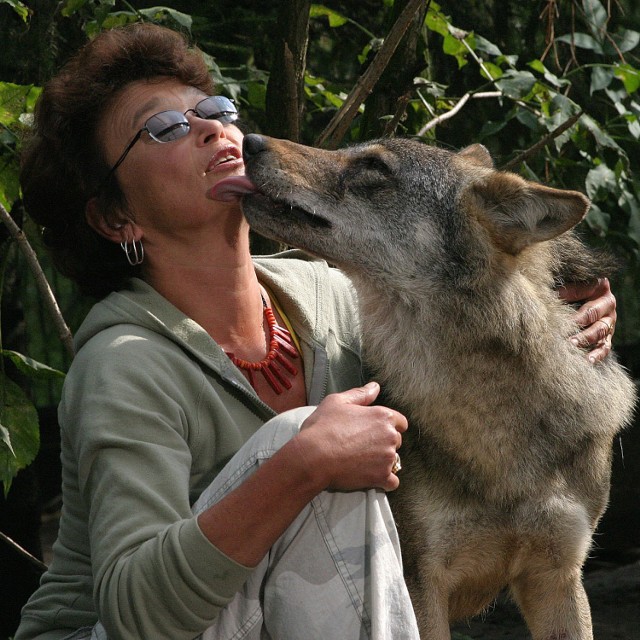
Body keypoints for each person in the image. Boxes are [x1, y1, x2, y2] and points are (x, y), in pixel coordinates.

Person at [15, 23, 617, 640]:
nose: (212, 128)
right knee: (313, 437)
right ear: (116, 216)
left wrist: (567, 306)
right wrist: (300, 465)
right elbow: (133, 615)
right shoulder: (123, 362)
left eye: (214, 108)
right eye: (163, 127)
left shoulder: (337, 299)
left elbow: (461, 306)